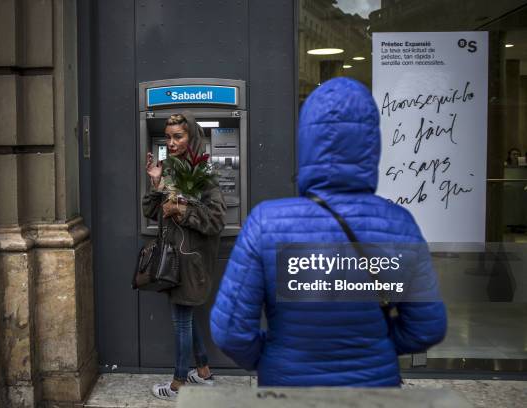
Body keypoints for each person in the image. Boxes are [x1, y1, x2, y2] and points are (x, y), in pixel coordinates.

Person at [210, 78, 447, 386]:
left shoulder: (266, 223)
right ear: (372, 143)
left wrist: (272, 359)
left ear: (306, 141)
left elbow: (230, 331)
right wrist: (376, 350)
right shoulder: (399, 224)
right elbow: (427, 327)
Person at [142, 112, 226, 400]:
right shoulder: (170, 170)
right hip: (172, 260)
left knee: (181, 319)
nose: (172, 142)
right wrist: (155, 186)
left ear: (193, 137)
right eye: (168, 137)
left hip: (192, 260)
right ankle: (203, 372)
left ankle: (178, 384)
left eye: (179, 136)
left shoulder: (205, 175)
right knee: (185, 315)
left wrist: (183, 210)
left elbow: (216, 220)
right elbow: (151, 212)